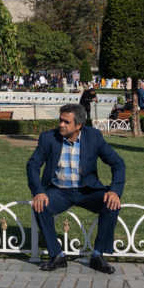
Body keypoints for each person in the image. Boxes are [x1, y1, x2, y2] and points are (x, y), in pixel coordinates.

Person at [26, 103, 125, 274]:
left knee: (111, 204)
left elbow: (118, 163)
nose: (61, 125)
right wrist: (39, 192)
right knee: (40, 206)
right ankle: (56, 256)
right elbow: (33, 164)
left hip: (87, 190)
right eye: (60, 120)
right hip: (58, 190)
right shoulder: (48, 138)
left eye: (66, 122)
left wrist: (114, 191)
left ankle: (98, 255)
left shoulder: (94, 137)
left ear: (79, 125)